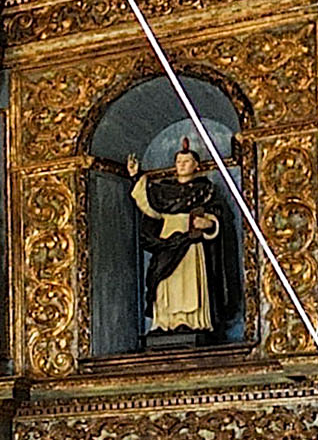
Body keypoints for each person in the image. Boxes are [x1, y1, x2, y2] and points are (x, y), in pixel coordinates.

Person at [100, 140, 242, 347]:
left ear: (196, 165)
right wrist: (135, 177)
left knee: (189, 282)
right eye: (178, 161)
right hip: (168, 239)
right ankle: (165, 323)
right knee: (164, 281)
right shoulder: (164, 190)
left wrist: (209, 223)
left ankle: (191, 321)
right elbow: (149, 205)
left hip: (191, 241)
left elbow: (219, 217)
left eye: (187, 161)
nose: (182, 165)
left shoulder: (205, 190)